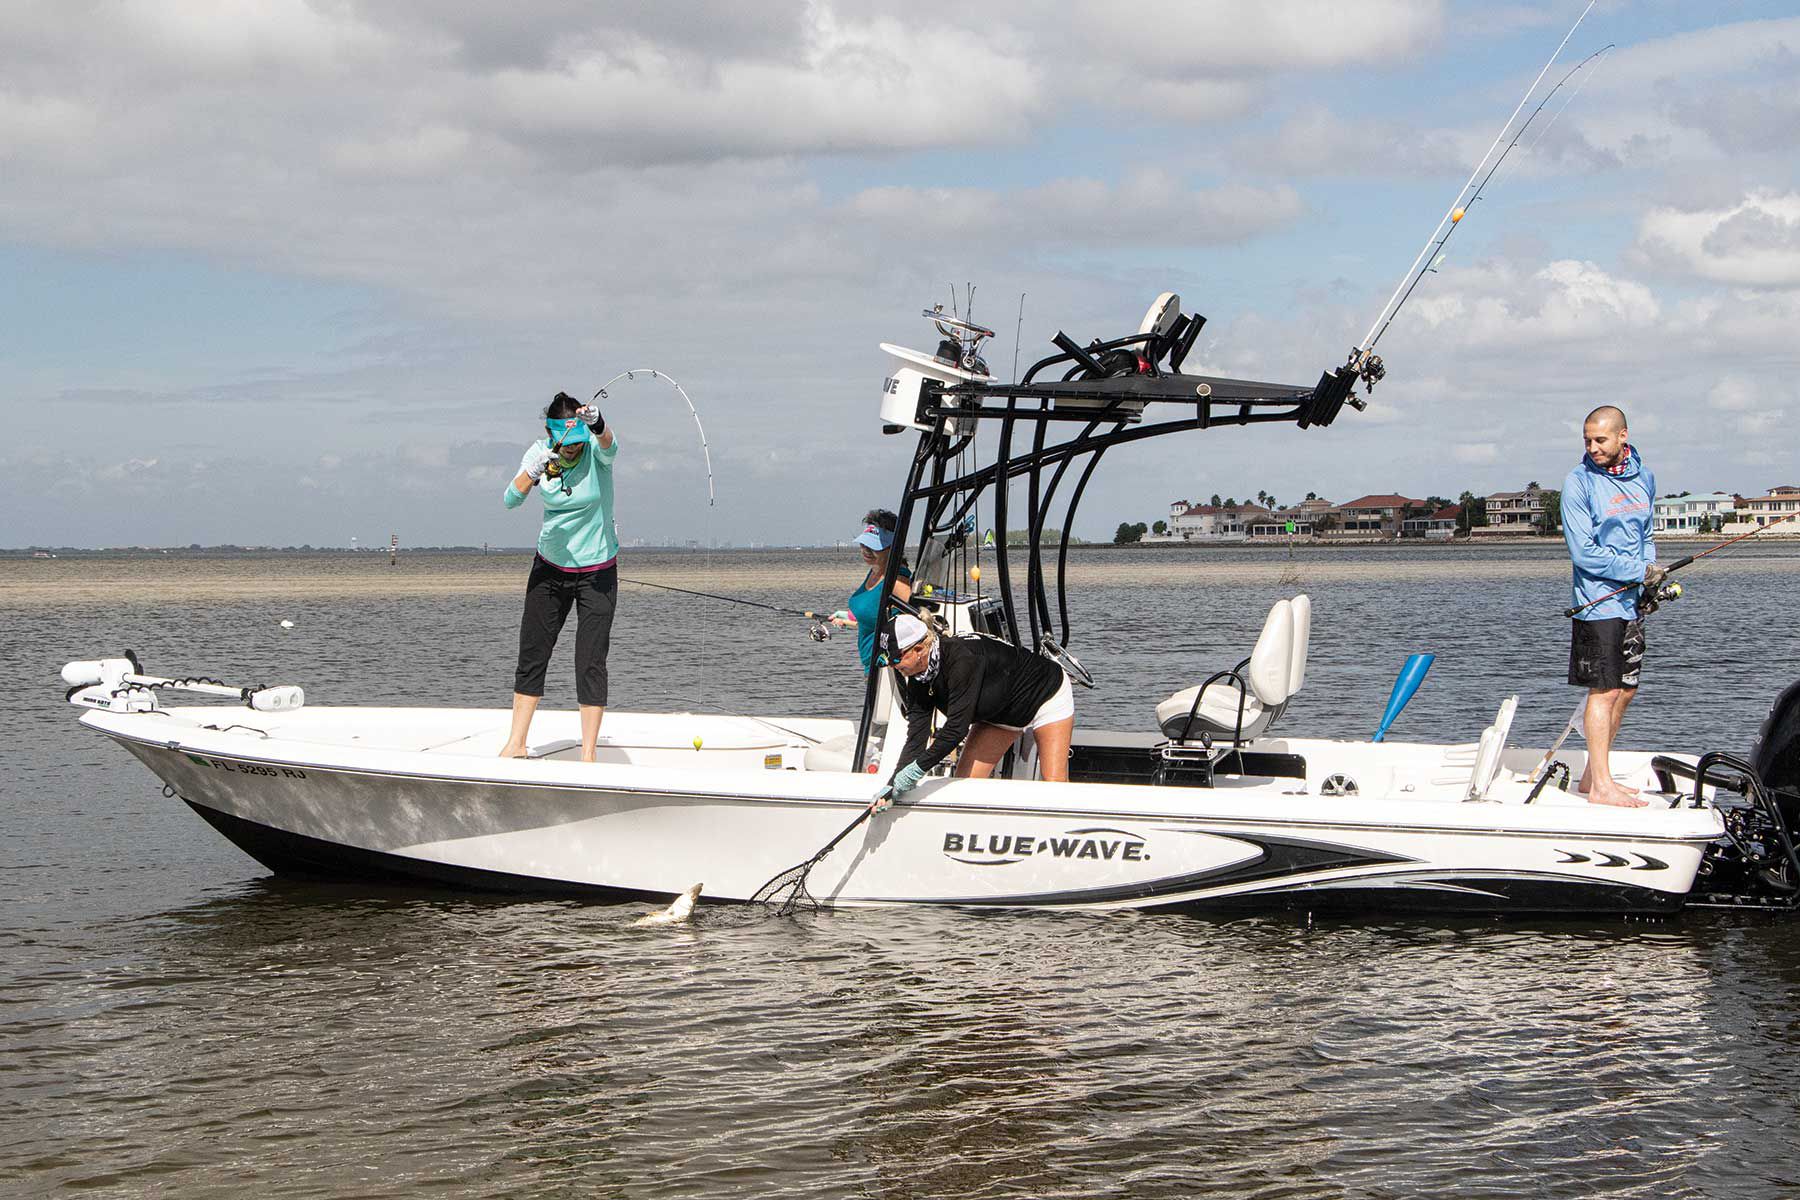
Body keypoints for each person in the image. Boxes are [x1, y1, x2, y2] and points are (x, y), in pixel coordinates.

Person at [498, 392, 619, 762]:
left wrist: (598, 426)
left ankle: (588, 754)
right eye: (566, 446)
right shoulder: (539, 451)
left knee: (590, 660)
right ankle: (515, 743)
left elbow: (610, 446)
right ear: (552, 436)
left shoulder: (594, 452)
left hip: (597, 571)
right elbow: (510, 500)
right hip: (549, 569)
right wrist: (533, 472)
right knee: (533, 653)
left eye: (577, 444)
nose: (572, 451)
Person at [1562, 404, 1665, 808]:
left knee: (1626, 690)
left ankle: (1592, 777)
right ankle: (1602, 787)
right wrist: (1639, 570)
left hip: (1631, 603)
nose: (1592, 447)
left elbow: (1646, 535)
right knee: (1603, 692)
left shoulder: (1645, 478)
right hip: (1596, 603)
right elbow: (1583, 553)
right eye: (1587, 440)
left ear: (1623, 436)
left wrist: (1650, 576)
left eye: (1600, 439)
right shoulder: (1578, 482)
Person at [875, 614, 1074, 806]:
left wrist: (914, 772)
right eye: (887, 661)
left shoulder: (963, 660)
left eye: (895, 659)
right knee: (964, 786)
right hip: (1000, 714)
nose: (892, 666)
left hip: (1044, 693)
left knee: (1054, 785)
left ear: (918, 650)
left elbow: (955, 730)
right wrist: (892, 786)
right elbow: (916, 738)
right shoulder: (918, 678)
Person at [837, 509, 913, 674]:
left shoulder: (897, 580)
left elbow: (914, 624)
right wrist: (848, 617)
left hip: (886, 669)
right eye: (863, 544)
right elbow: (876, 612)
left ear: (893, 546)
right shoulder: (876, 569)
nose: (865, 550)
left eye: (874, 546)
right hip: (870, 668)